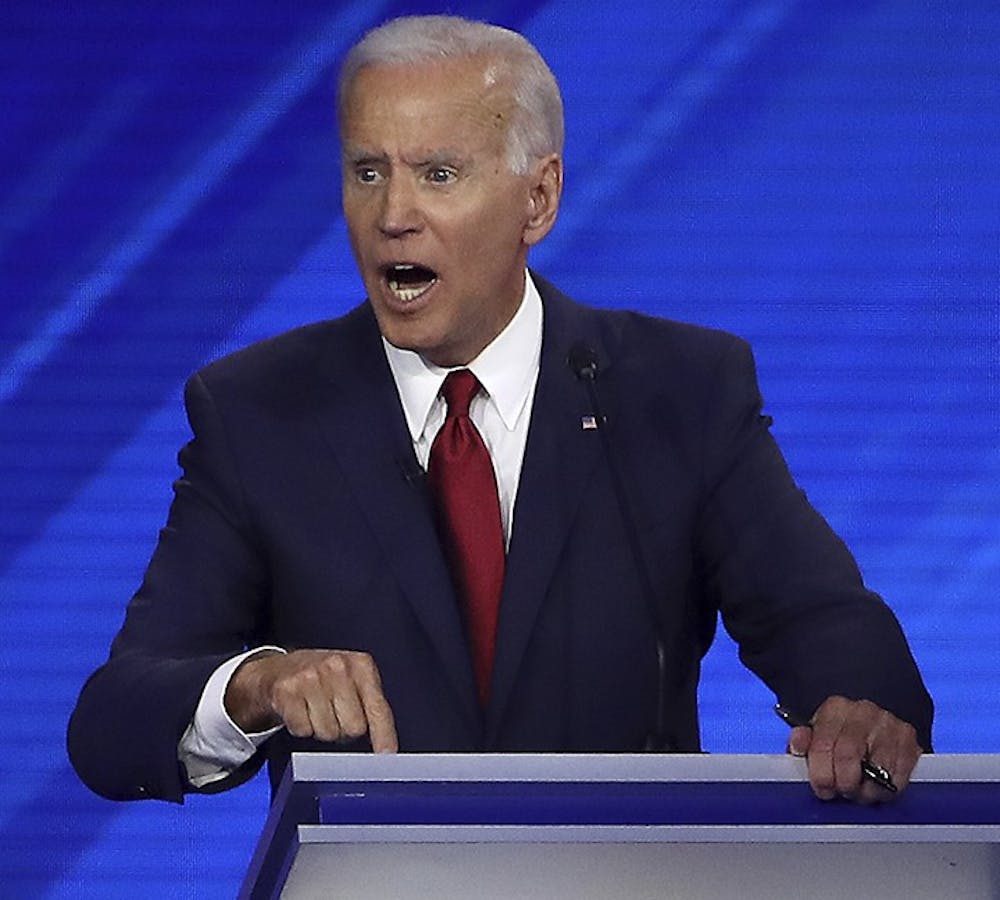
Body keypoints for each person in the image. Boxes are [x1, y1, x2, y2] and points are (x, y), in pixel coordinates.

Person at [68, 15, 932, 808]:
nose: (393, 216)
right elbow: (111, 722)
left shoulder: (678, 391)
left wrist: (862, 713)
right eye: (368, 172)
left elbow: (826, 625)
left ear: (538, 199)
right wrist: (256, 684)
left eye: (438, 174)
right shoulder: (260, 413)